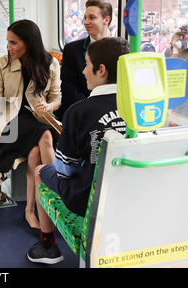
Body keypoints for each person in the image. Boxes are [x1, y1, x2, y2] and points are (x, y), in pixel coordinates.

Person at [27, 37, 129, 264]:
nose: (83, 71)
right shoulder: (141, 109)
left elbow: (64, 172)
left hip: (87, 201)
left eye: (86, 64)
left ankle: (48, 247)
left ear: (101, 70)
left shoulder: (78, 112)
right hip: (131, 194)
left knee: (41, 170)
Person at [0, 19, 61, 231]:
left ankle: (30, 211)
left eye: (14, 43)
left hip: (38, 118)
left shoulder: (51, 64)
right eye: (8, 43)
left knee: (35, 155)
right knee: (45, 137)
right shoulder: (1, 64)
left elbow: (56, 98)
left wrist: (49, 107)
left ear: (30, 42)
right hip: (10, 121)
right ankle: (57, 197)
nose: (9, 48)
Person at [55, 0, 112, 121]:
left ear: (106, 20)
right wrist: (90, 106)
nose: (86, 22)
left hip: (112, 109)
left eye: (91, 17)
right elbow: (68, 86)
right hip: (82, 108)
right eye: (85, 18)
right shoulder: (72, 49)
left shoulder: (121, 49)